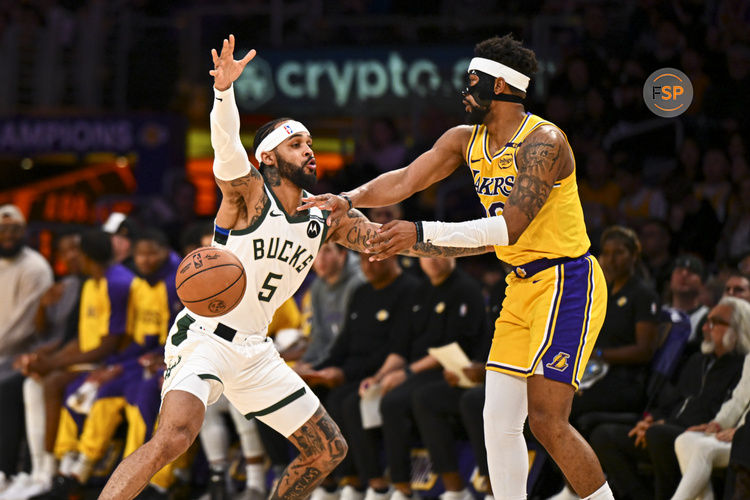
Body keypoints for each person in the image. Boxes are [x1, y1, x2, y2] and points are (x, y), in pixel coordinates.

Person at [98, 34, 487, 500]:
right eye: (296, 143)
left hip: (256, 350)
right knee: (175, 437)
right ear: (269, 157)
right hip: (205, 338)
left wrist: (474, 240)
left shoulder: (326, 215)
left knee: (327, 449)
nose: (309, 151)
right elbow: (225, 145)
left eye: (309, 143)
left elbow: (390, 242)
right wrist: (224, 92)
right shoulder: (248, 194)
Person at [300, 34, 613, 499]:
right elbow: (406, 180)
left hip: (567, 281)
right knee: (498, 419)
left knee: (547, 420)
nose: (464, 92)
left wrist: (421, 234)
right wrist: (348, 198)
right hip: (520, 284)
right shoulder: (463, 140)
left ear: (503, 85)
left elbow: (508, 229)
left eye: (474, 82)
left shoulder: (544, 142)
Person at [589, 298, 748, 500]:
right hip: (667, 427)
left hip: (696, 432)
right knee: (603, 435)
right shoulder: (697, 360)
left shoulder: (741, 365)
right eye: (707, 321)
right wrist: (651, 419)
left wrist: (663, 424)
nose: (707, 328)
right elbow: (672, 399)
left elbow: (728, 409)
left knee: (658, 435)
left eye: (715, 322)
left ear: (738, 328)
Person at [670, 297, 750, 500]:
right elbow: (738, 399)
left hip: (744, 435)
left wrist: (740, 430)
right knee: (684, 440)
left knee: (703, 449)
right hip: (732, 431)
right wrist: (717, 423)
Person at [0, 205, 54, 477]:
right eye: (2, 229)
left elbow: (24, 324)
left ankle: (5, 471)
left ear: (25, 232)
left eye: (14, 229)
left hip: (22, 352)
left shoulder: (35, 267)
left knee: (5, 386)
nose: (8, 235)